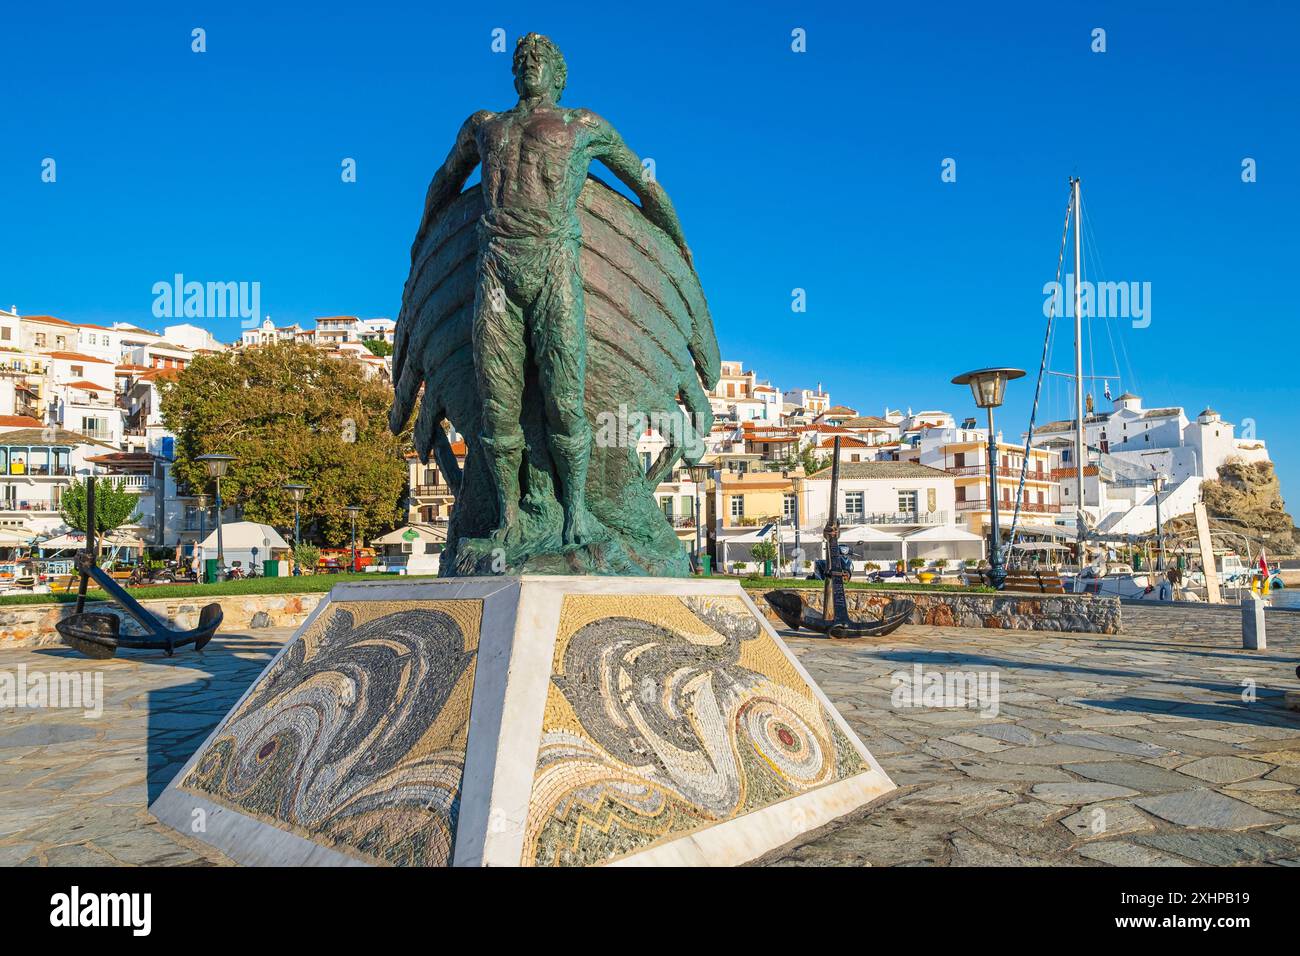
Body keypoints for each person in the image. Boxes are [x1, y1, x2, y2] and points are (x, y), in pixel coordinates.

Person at [410, 33, 693, 547]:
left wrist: (678, 246)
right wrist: (421, 245)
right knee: (499, 403)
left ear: (559, 75)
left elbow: (644, 184)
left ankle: (576, 514)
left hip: (554, 262)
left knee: (566, 398)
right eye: (521, 59)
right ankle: (508, 520)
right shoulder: (485, 126)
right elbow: (444, 181)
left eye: (540, 58)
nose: (530, 63)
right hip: (495, 265)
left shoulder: (582, 126)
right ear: (513, 73)